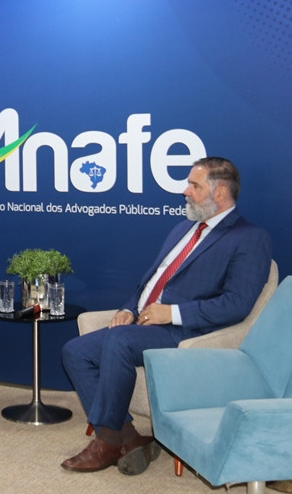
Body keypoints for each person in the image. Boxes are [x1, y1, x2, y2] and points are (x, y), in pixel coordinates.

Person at [61, 157, 272, 475]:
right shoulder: (182, 229)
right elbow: (151, 281)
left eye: (194, 185)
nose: (185, 191)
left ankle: (107, 441)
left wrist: (171, 313)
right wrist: (128, 309)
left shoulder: (249, 237)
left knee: (119, 341)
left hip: (187, 333)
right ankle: (128, 437)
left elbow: (237, 304)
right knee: (75, 351)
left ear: (219, 193)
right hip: (143, 325)